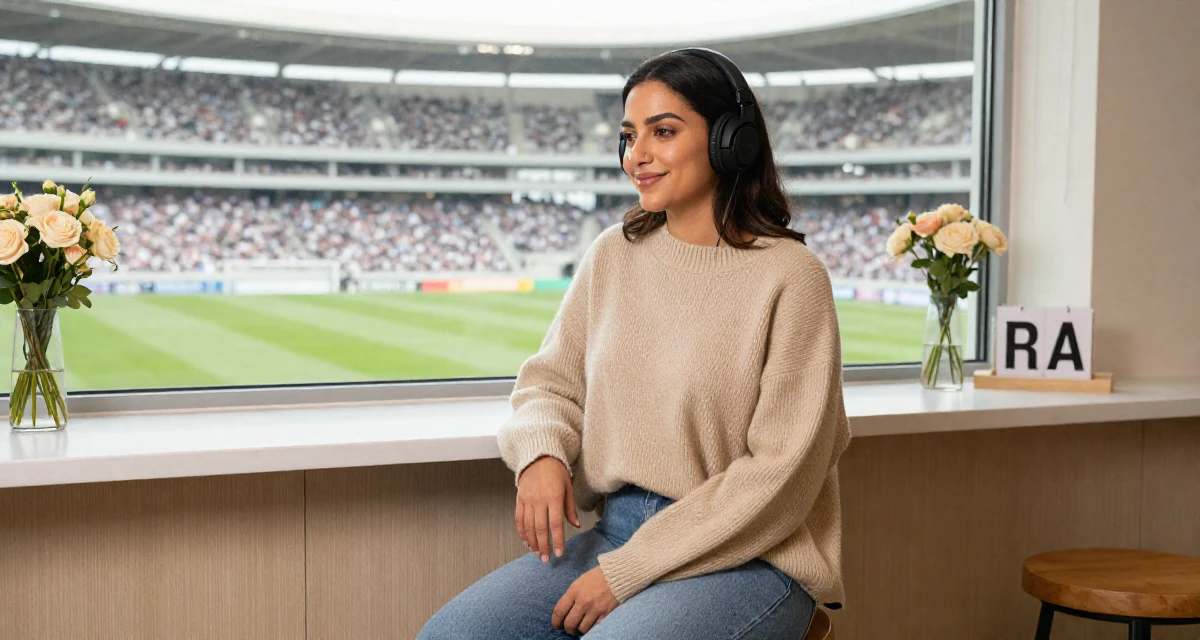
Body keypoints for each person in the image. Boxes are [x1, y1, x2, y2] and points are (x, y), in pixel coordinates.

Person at [417, 48, 851, 639]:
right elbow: (549, 384)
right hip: (616, 530)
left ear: (731, 141)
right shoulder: (613, 254)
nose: (636, 156)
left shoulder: (793, 277)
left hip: (751, 558)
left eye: (663, 132)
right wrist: (540, 454)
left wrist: (628, 572)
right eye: (627, 136)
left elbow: (779, 478)